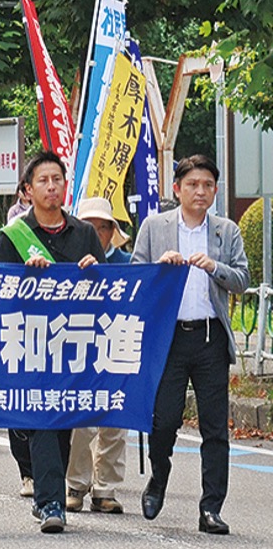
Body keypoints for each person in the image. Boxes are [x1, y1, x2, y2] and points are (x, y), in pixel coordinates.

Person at [132, 155, 248, 535]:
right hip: (168, 338)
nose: (200, 191)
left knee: (215, 428)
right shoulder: (154, 227)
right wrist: (160, 267)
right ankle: (158, 478)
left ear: (215, 190)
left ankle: (211, 507)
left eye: (208, 185)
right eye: (193, 184)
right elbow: (135, 278)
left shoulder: (225, 231)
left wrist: (215, 268)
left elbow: (243, 279)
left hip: (211, 338)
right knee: (164, 421)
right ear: (177, 188)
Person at [0, 152, 104, 534]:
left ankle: (47, 492)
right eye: (43, 180)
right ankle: (50, 502)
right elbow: (2, 293)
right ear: (27, 190)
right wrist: (27, 278)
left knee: (63, 424)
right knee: (43, 415)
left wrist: (94, 274)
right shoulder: (12, 237)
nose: (52, 186)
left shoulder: (85, 233)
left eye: (57, 179)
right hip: (32, 342)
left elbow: (105, 291)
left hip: (73, 343)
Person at [59, 195, 131, 514]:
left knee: (115, 419)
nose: (98, 232)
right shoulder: (68, 260)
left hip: (118, 343)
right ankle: (76, 482)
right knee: (82, 420)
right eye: (91, 226)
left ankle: (106, 488)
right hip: (81, 347)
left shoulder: (126, 263)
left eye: (104, 227)